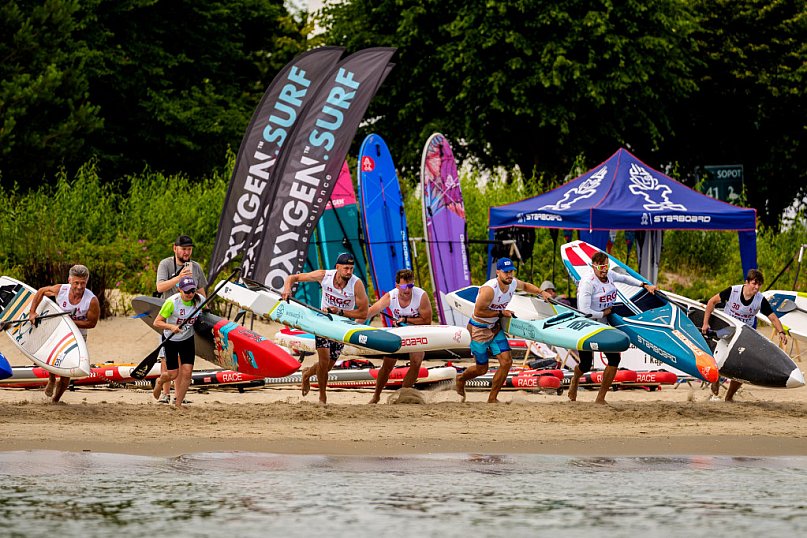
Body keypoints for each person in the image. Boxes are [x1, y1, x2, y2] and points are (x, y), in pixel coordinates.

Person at [455, 258, 552, 403]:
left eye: (511, 271)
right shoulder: (489, 290)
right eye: (506, 272)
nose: (509, 275)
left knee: (506, 362)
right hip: (478, 330)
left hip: (495, 328)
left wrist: (541, 292)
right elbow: (478, 312)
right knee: (482, 369)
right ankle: (461, 378)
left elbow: (525, 286)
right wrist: (501, 313)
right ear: (498, 272)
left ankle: (492, 398)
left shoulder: (512, 283)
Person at [568, 251, 658, 404]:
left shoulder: (609, 275)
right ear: (594, 266)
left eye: (606, 266)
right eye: (601, 267)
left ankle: (600, 398)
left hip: (603, 322)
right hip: (588, 324)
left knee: (614, 359)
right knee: (585, 364)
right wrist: (602, 312)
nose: (604, 270)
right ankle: (575, 380)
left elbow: (624, 278)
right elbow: (584, 311)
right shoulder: (588, 283)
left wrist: (643, 284)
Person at [281, 252, 369, 405]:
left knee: (328, 366)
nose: (349, 272)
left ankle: (307, 373)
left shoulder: (356, 284)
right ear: (337, 267)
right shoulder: (324, 276)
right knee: (324, 359)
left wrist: (340, 311)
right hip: (322, 322)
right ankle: (322, 397)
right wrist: (287, 289)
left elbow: (363, 312)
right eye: (346, 268)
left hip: (341, 325)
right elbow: (292, 278)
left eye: (351, 269)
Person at [701, 268, 787, 402]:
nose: (757, 287)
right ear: (747, 282)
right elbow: (712, 301)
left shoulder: (760, 300)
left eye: (759, 285)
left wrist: (781, 332)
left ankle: (729, 397)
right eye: (754, 283)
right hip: (727, 328)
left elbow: (773, 318)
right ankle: (715, 379)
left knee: (745, 366)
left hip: (745, 333)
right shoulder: (733, 291)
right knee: (716, 357)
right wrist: (705, 323)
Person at [27, 264, 100, 403]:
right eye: (76, 283)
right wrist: (32, 312)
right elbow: (41, 291)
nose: (79, 287)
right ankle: (52, 378)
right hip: (58, 330)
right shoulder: (61, 290)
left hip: (78, 335)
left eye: (83, 283)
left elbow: (92, 323)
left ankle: (56, 400)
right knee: (52, 357)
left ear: (87, 282)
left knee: (67, 371)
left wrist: (68, 321)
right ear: (69, 280)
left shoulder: (92, 300)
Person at [365, 269, 433, 404]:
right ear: (397, 286)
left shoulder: (421, 296)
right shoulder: (391, 296)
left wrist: (407, 320)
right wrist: (353, 323)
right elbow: (370, 312)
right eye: (403, 286)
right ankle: (376, 396)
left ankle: (403, 395)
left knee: (416, 362)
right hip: (399, 333)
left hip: (417, 332)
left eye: (410, 286)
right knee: (387, 364)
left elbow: (427, 321)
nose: (407, 290)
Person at [155, 235, 207, 404]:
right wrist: (180, 279)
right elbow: (160, 287)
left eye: (189, 249)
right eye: (183, 249)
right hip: (169, 315)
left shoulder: (196, 267)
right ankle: (165, 393)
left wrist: (203, 309)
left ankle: (179, 397)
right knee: (168, 360)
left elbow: (201, 291)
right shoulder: (166, 264)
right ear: (175, 248)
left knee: (185, 367)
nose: (186, 252)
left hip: (188, 319)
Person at [152, 276, 201, 409]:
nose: (190, 294)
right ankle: (160, 381)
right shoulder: (171, 302)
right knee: (173, 374)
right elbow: (157, 322)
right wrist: (171, 327)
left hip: (187, 339)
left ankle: (178, 404)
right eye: (187, 291)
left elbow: (206, 313)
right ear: (179, 290)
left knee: (187, 372)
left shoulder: (199, 300)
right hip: (171, 340)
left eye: (193, 290)